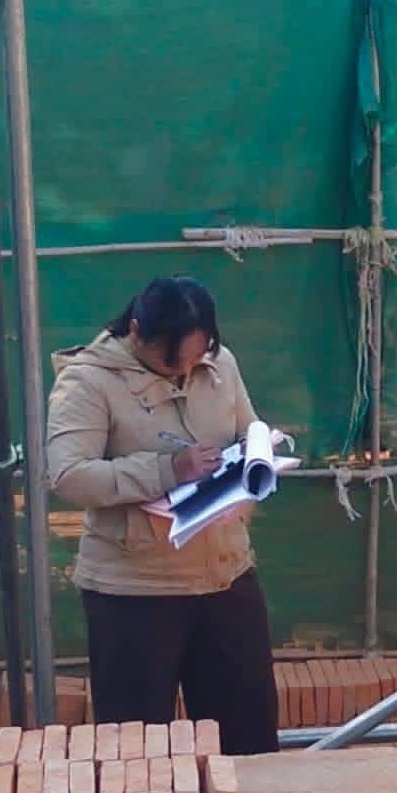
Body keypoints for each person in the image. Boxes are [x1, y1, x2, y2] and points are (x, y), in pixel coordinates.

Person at [46, 276, 280, 754]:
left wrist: (256, 460)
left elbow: (248, 429)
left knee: (248, 736)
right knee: (137, 754)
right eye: (173, 361)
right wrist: (167, 470)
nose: (187, 369)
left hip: (225, 575)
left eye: (198, 356)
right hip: (134, 590)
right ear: (137, 331)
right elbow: (69, 475)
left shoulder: (221, 363)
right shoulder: (87, 380)